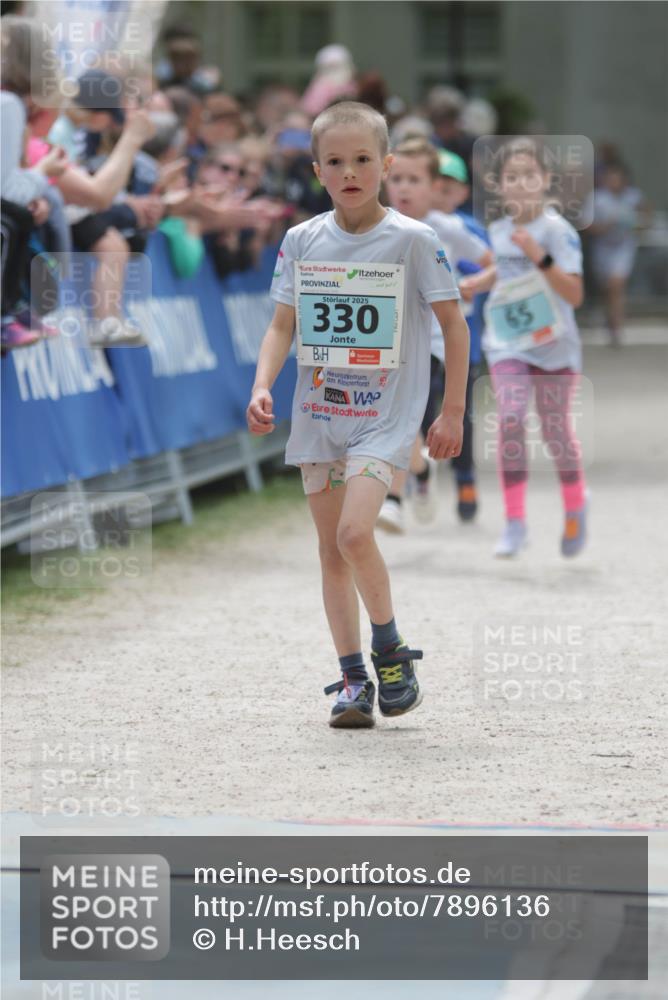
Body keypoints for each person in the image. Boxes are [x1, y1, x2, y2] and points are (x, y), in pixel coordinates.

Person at [246, 102, 469, 729]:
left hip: (384, 418)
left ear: (387, 165)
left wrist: (448, 412)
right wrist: (262, 385)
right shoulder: (301, 240)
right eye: (337, 162)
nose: (351, 172)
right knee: (329, 551)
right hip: (319, 416)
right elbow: (282, 325)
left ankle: (390, 649)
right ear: (318, 171)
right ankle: (352, 680)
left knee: (353, 534)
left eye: (364, 160)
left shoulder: (413, 240)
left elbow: (454, 327)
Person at [460, 138, 588, 558]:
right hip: (508, 342)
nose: (521, 184)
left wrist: (539, 257)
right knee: (511, 420)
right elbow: (504, 269)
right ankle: (515, 523)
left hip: (554, 346)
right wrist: (479, 283)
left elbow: (574, 294)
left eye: (529, 176)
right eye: (512, 177)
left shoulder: (557, 232)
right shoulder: (498, 230)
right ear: (499, 184)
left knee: (555, 432)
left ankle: (575, 506)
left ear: (546, 181)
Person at [378, 140, 492, 533]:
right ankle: (418, 475)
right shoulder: (376, 225)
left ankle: (399, 495)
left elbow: (490, 262)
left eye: (415, 180)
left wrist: (473, 282)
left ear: (434, 187)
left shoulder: (447, 228)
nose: (405, 188)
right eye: (397, 179)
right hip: (387, 340)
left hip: (434, 342)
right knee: (400, 418)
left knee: (409, 417)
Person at [586, 161, 646, 347]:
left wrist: (639, 224)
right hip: (603, 248)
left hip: (624, 247)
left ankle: (616, 328)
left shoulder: (633, 196)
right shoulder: (597, 199)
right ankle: (610, 319)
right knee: (608, 289)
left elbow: (645, 214)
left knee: (616, 284)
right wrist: (605, 227)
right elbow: (588, 225)